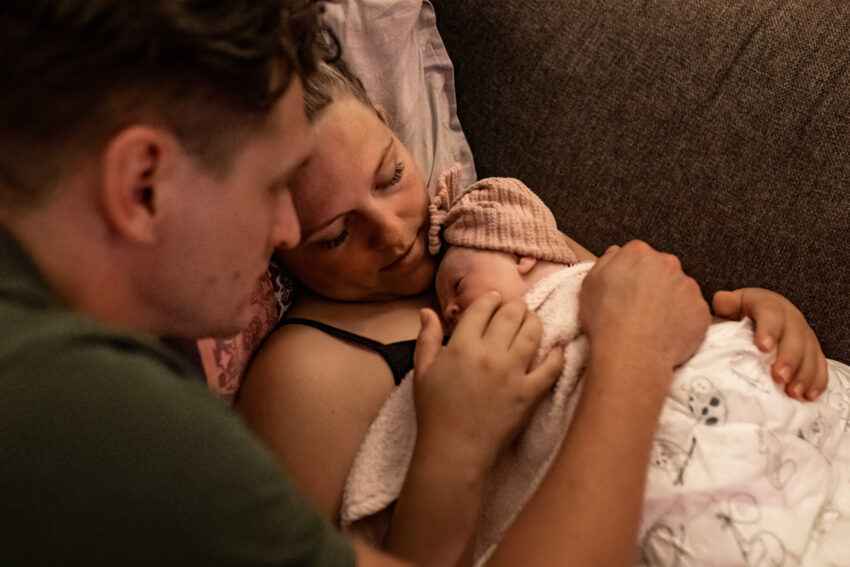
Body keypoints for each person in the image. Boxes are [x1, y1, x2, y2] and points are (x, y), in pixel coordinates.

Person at [0, 2, 558, 565]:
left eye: (389, 175)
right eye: (270, 186)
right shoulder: (102, 415)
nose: (285, 234)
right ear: (143, 184)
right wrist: (630, 344)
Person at [235, 58, 829, 565]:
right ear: (277, 236)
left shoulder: (493, 222)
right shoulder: (302, 378)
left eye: (391, 175)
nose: (393, 234)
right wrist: (450, 447)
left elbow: (648, 313)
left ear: (391, 127)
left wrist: (755, 322)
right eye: (336, 235)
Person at [339, 167, 850, 564]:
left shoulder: (589, 283)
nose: (450, 314)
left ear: (518, 254)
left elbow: (687, 325)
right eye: (334, 233)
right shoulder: (451, 372)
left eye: (457, 287)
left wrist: (761, 326)